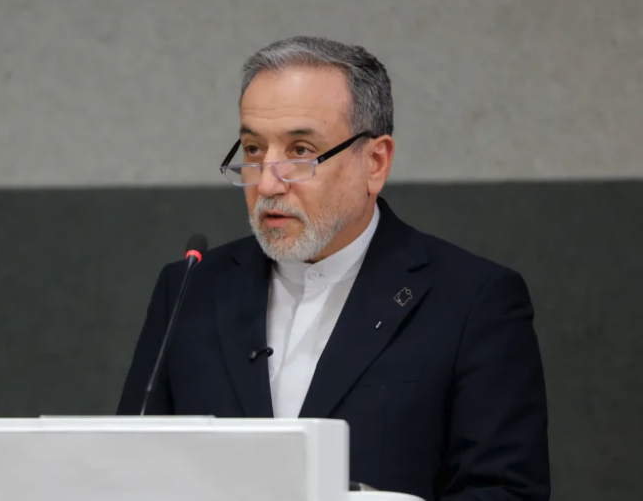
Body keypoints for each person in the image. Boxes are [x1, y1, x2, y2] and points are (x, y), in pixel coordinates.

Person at [116, 36, 550, 501]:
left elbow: (505, 491)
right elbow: (128, 469)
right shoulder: (189, 289)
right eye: (253, 149)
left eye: (300, 150)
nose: (266, 182)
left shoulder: (473, 300)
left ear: (375, 162)